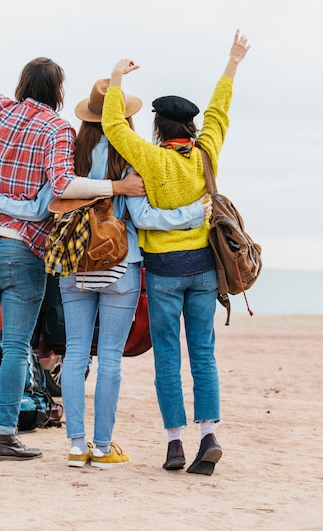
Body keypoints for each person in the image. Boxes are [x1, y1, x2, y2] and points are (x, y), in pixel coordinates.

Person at [0, 2, 145, 461]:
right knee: (14, 346)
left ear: (22, 86)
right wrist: (117, 185)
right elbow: (63, 185)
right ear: (57, 90)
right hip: (23, 251)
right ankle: (5, 435)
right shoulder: (55, 128)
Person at [0, 77, 213, 468]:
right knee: (111, 360)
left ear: (87, 118)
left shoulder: (71, 150)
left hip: (76, 265)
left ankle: (74, 445)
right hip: (121, 265)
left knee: (74, 358)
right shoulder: (131, 158)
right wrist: (193, 213)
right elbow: (143, 217)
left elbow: (53, 196)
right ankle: (102, 447)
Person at [101, 30, 250, 474]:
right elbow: (220, 111)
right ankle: (209, 435)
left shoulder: (150, 158)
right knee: (202, 353)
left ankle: (174, 445)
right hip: (204, 270)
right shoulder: (206, 155)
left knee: (167, 355)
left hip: (163, 273)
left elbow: (111, 126)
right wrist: (233, 62)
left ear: (157, 127)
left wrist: (115, 79)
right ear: (190, 127)